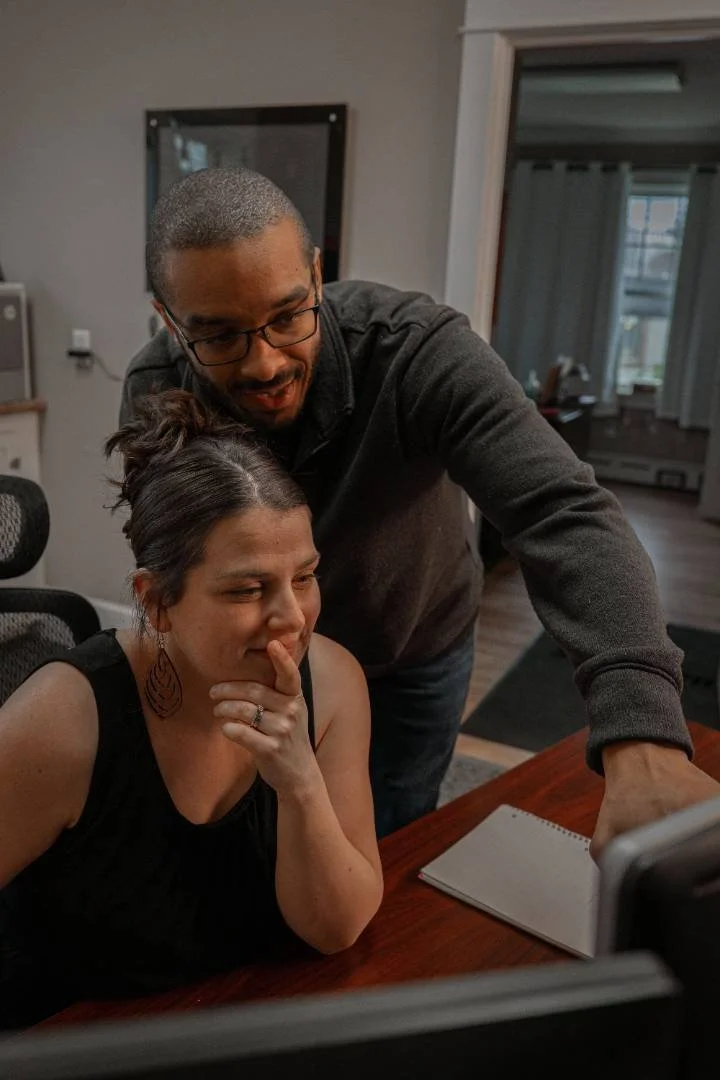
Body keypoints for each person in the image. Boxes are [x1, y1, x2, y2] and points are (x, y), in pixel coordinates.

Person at [121, 166, 720, 844]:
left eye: (287, 317)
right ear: (170, 321)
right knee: (255, 838)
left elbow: (561, 511)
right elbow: (171, 570)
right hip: (254, 659)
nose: (265, 364)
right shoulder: (155, 387)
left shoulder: (414, 350)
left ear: (316, 276)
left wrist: (642, 730)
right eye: (221, 336)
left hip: (411, 655)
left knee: (394, 837)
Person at [0, 390, 382, 1028]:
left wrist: (300, 782)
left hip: (244, 1022)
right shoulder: (62, 721)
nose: (293, 618)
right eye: (248, 589)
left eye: (304, 577)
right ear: (156, 602)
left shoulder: (335, 683)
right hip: (76, 1037)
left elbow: (336, 928)